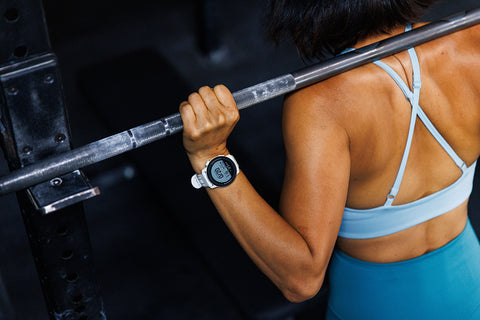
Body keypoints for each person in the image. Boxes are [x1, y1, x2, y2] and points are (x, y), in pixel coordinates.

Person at [178, 1, 480, 319]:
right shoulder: (471, 40)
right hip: (469, 289)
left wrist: (211, 156)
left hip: (371, 307)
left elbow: (301, 278)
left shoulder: (319, 103)